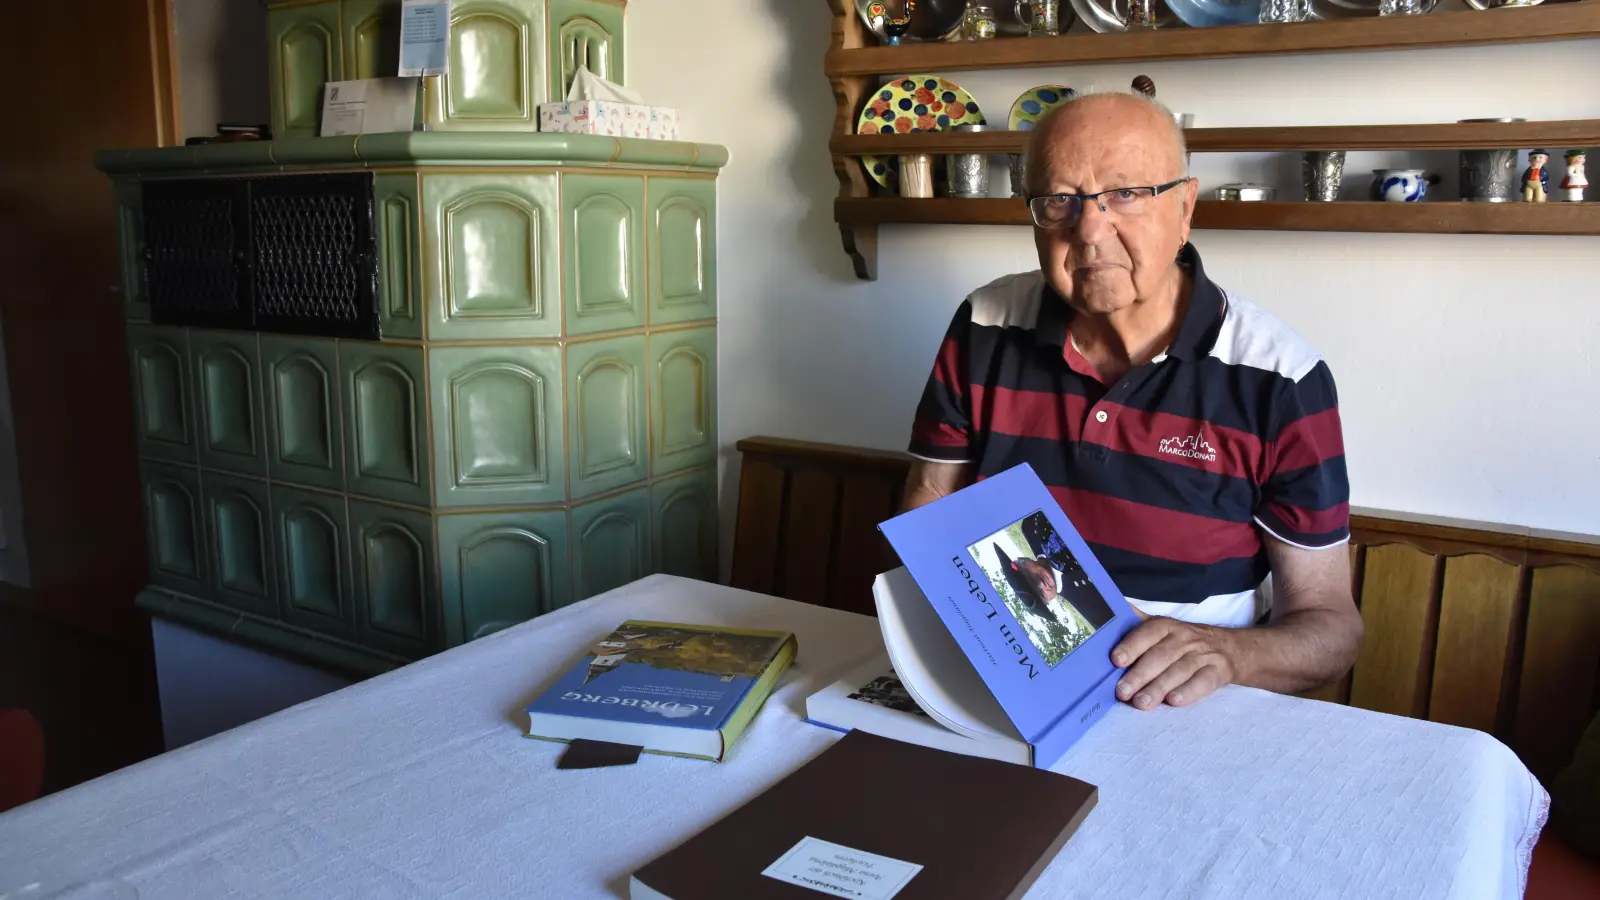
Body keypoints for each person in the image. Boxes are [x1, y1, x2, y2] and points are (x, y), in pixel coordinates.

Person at [901, 91, 1362, 712]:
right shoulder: (986, 322)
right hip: (998, 672)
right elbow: (927, 510)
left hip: (1184, 708)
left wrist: (1226, 652)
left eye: (1126, 193)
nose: (1090, 230)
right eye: (1060, 199)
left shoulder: (1280, 378)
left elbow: (1331, 628)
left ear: (1185, 207)